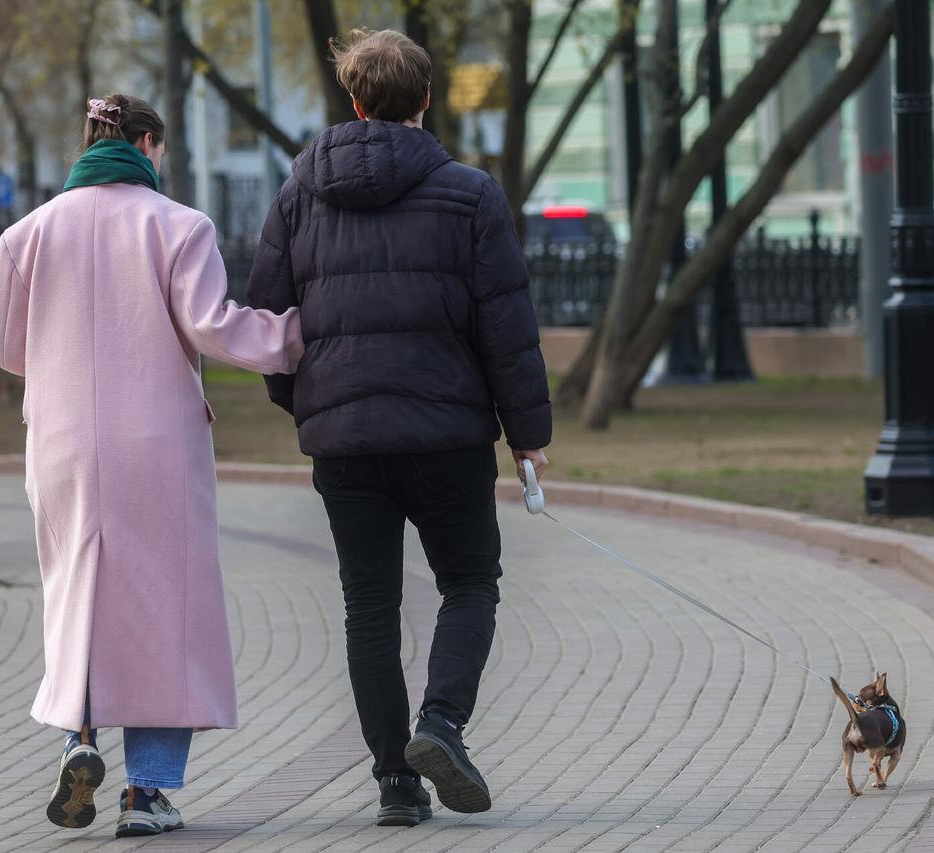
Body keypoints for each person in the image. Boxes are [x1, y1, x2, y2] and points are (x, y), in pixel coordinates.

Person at [247, 29, 551, 827]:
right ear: (424, 100)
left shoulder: (297, 194)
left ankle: (394, 782)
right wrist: (526, 433)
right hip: (446, 434)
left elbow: (269, 322)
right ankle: (441, 724)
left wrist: (308, 403)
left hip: (345, 441)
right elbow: (506, 326)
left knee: (369, 606)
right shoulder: (470, 193)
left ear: (354, 101)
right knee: (470, 583)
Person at [0, 93, 304, 838]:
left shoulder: (27, 233)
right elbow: (213, 326)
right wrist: (296, 333)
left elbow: (2, 343)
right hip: (156, 442)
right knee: (167, 607)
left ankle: (81, 739)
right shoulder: (179, 226)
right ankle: (146, 793)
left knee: (78, 592)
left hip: (61, 441)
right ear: (149, 144)